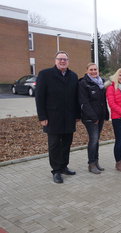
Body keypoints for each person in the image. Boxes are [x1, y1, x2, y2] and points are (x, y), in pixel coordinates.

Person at [35, 51, 80, 183]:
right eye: (60, 59)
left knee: (67, 144)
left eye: (65, 59)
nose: (62, 61)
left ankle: (64, 166)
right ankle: (56, 171)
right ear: (55, 61)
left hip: (69, 117)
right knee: (54, 145)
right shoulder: (45, 74)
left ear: (68, 61)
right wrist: (42, 116)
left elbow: (76, 98)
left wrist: (77, 115)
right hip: (52, 117)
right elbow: (39, 98)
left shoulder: (73, 76)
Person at [78, 63, 109, 174]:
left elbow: (103, 101)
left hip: (99, 117)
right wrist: (93, 117)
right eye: (91, 70)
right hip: (90, 118)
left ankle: (96, 162)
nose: (93, 71)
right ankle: (91, 164)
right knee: (93, 140)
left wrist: (106, 114)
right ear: (87, 71)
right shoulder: (83, 83)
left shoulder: (101, 83)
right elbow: (84, 102)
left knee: (96, 140)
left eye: (95, 69)